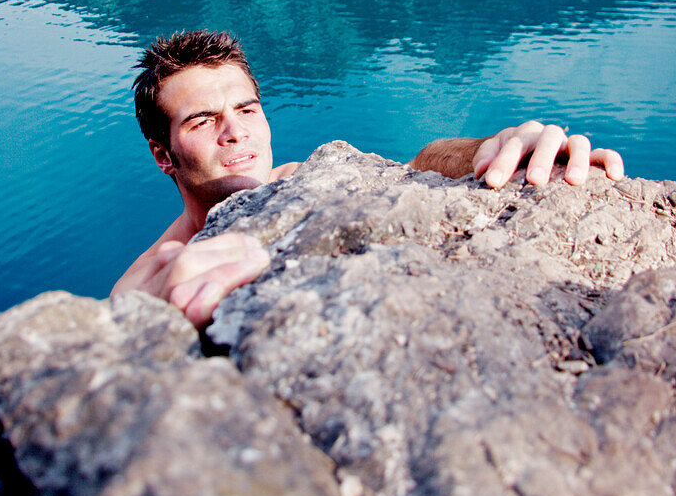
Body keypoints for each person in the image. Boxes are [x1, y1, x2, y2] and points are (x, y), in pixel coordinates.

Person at [112, 30, 624, 327]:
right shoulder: (149, 282)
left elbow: (422, 165)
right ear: (163, 155)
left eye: (247, 109)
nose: (234, 132)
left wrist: (491, 150)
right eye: (202, 121)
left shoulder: (319, 176)